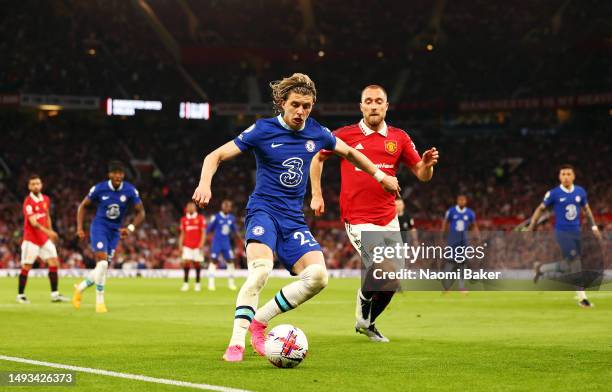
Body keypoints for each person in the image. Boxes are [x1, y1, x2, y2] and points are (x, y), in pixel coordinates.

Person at [192, 73, 401, 362]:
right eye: (296, 105)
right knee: (261, 271)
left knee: (318, 277)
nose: (301, 112)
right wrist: (205, 184)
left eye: (307, 106)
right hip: (263, 211)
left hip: (293, 219)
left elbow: (351, 154)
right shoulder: (262, 130)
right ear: (282, 103)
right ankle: (236, 341)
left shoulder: (316, 132)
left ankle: (259, 322)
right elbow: (214, 156)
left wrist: (380, 175)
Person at [310, 84, 439, 342]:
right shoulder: (345, 135)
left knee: (392, 279)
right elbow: (317, 157)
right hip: (357, 218)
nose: (373, 105)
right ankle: (364, 299)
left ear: (386, 106)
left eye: (378, 101)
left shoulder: (399, 138)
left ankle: (367, 323)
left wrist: (426, 165)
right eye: (368, 101)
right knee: (383, 266)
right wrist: (316, 193)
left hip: (388, 217)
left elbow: (422, 176)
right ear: (361, 106)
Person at [73, 161, 145, 313]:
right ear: (110, 175)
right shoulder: (100, 188)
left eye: (121, 173)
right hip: (99, 227)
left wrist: (130, 228)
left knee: (101, 268)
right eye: (115, 173)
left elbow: (141, 212)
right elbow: (83, 206)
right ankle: (100, 302)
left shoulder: (130, 190)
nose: (118, 175)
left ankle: (80, 288)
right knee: (103, 264)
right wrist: (79, 227)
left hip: (115, 232)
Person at [527, 164, 602, 308]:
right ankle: (582, 297)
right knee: (576, 262)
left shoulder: (580, 192)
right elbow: (540, 208)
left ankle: (541, 269)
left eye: (568, 174)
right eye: (563, 174)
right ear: (559, 177)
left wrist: (593, 226)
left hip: (577, 232)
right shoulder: (554, 194)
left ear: (573, 176)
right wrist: (532, 225)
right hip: (562, 233)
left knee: (569, 265)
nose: (566, 177)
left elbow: (587, 210)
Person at [17, 174, 68, 304]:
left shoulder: (46, 199)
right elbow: (33, 222)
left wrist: (50, 232)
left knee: (54, 263)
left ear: (41, 185)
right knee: (27, 266)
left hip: (44, 239)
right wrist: (49, 233)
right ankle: (20, 295)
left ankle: (55, 294)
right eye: (33, 184)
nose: (36, 186)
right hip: (31, 240)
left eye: (37, 183)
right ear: (29, 186)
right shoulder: (28, 202)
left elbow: (47, 217)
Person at [441, 195, 480, 292]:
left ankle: (461, 287)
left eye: (463, 200)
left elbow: (474, 225)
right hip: (452, 241)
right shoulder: (451, 211)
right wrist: (443, 234)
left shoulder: (470, 213)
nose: (462, 201)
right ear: (457, 201)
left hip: (463, 242)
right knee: (450, 263)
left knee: (462, 263)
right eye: (460, 200)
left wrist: (476, 235)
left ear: (466, 201)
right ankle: (447, 287)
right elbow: (445, 223)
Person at [206, 199, 239, 291]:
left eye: (229, 206)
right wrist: (206, 241)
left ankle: (231, 283)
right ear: (222, 207)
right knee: (213, 261)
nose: (227, 208)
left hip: (226, 243)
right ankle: (211, 283)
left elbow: (235, 231)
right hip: (216, 243)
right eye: (226, 206)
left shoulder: (231, 218)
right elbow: (208, 230)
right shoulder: (216, 217)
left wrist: (241, 240)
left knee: (230, 261)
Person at [179, 201, 207, 292]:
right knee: (186, 263)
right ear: (186, 209)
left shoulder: (200, 218)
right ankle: (186, 284)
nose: (190, 208)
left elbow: (203, 233)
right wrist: (180, 244)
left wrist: (202, 244)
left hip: (197, 246)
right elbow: (182, 233)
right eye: (189, 206)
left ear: (195, 208)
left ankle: (197, 284)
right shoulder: (184, 219)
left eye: (192, 206)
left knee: (197, 264)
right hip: (187, 245)